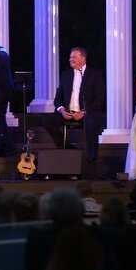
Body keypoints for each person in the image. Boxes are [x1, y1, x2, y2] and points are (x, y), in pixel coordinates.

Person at [43, 47, 105, 177]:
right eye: (70, 57)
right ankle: (68, 148)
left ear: (83, 58)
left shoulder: (95, 74)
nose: (71, 59)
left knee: (91, 125)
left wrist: (84, 112)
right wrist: (61, 110)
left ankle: (91, 162)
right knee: (48, 121)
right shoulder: (66, 75)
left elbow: (99, 99)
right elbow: (57, 99)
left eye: (74, 57)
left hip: (86, 113)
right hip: (68, 113)